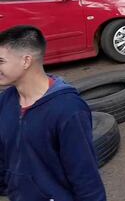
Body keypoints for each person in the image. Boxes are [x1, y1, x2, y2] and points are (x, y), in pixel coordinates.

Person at [0, 26, 107, 201]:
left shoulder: (68, 109)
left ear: (26, 61)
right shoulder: (5, 101)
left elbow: (85, 176)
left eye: (1, 61)